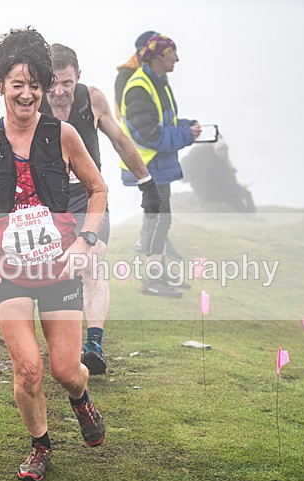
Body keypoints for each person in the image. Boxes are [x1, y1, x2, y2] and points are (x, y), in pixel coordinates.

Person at [0, 27, 108, 481]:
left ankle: (81, 399)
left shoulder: (63, 136)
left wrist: (85, 240)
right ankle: (40, 445)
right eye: (17, 84)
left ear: (44, 87)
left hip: (59, 265)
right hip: (6, 269)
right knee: (28, 368)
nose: (27, 94)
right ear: (1, 84)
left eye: (35, 85)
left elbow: (98, 189)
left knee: (66, 370)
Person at [39, 43, 161, 375]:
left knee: (91, 264)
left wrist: (146, 182)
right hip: (46, 203)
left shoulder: (92, 99)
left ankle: (93, 345)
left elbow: (119, 140)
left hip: (89, 197)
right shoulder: (32, 103)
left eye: (67, 82)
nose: (60, 91)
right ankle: (61, 346)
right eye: (53, 83)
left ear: (78, 77)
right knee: (55, 274)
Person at [119, 33, 201, 297]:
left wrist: (186, 126)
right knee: (158, 220)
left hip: (157, 164)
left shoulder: (159, 82)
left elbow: (163, 123)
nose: (177, 58)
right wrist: (186, 136)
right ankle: (152, 280)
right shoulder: (139, 86)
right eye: (171, 53)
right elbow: (150, 135)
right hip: (147, 165)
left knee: (159, 219)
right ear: (157, 56)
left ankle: (159, 275)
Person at [181, 138, 256, 213]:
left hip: (208, 193)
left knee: (237, 196)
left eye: (225, 150)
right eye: (221, 150)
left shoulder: (210, 161)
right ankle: (253, 215)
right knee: (246, 194)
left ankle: (244, 216)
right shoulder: (213, 165)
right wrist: (239, 186)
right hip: (212, 194)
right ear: (215, 150)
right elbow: (225, 182)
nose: (223, 152)